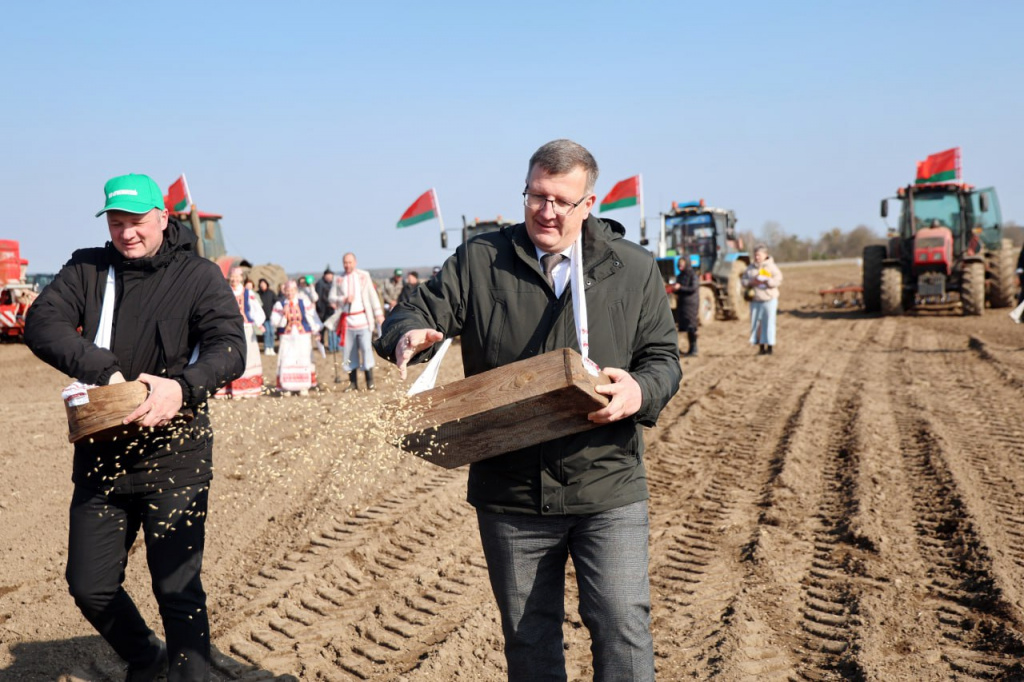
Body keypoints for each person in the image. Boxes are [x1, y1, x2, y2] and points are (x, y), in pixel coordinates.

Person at [374, 139, 681, 681]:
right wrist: (407, 334)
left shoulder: (632, 269)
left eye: (563, 201)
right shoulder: (480, 260)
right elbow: (414, 308)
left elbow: (662, 358)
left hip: (605, 483)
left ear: (589, 204)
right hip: (511, 493)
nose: (547, 211)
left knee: (621, 626)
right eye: (536, 196)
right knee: (529, 638)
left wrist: (640, 391)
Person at [24, 173, 245, 681]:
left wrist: (182, 388)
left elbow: (229, 348)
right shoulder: (86, 268)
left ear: (163, 219)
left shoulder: (199, 275)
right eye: (117, 222)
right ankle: (147, 658)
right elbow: (42, 323)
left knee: (176, 589)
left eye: (137, 222)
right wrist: (101, 368)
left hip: (176, 457)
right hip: (102, 456)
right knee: (89, 584)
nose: (127, 233)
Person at [330, 252, 384, 391]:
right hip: (347, 321)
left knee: (366, 349)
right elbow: (331, 298)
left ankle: (370, 381)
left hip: (363, 320)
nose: (347, 265)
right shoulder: (338, 278)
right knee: (349, 352)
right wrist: (343, 299)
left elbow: (372, 296)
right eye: (345, 263)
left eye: (350, 262)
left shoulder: (363, 276)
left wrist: (379, 315)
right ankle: (352, 383)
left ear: (355, 262)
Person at [213, 267, 266, 399]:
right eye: (232, 276)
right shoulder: (224, 291)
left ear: (242, 278)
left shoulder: (248, 293)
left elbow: (257, 310)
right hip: (228, 329)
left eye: (237, 277)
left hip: (245, 328)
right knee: (228, 356)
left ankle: (247, 389)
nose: (234, 279)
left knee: (246, 357)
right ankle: (227, 389)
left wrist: (258, 322)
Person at [270, 279, 323, 394]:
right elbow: (274, 322)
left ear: (296, 290)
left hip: (302, 336)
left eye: (292, 291)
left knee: (302, 359)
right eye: (287, 291)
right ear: (284, 291)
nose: (290, 293)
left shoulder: (304, 302)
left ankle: (303, 386)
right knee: (287, 359)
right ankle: (287, 387)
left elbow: (311, 317)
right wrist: (284, 315)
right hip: (287, 337)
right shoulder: (280, 304)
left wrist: (316, 331)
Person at [741, 244, 783, 355]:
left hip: (769, 299)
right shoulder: (750, 268)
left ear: (765, 255)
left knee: (768, 323)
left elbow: (778, 279)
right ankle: (761, 347)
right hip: (755, 300)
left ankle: (770, 347)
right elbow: (743, 280)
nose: (757, 257)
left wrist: (768, 281)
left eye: (759, 255)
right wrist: (751, 282)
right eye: (755, 255)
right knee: (757, 324)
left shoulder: (771, 267)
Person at [673, 255, 700, 356]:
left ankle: (694, 349)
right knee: (687, 327)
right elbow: (680, 290)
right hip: (683, 304)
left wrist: (680, 287)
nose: (680, 267)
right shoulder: (680, 275)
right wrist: (675, 289)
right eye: (679, 265)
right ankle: (690, 349)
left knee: (692, 326)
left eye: (682, 265)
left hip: (691, 304)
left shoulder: (693, 275)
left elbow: (693, 288)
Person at [315, 267, 340, 353]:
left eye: (331, 275)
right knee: (323, 329)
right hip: (323, 310)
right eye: (328, 275)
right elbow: (319, 298)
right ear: (325, 276)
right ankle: (324, 345)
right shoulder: (320, 284)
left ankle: (336, 346)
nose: (330, 277)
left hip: (333, 310)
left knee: (334, 328)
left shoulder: (333, 283)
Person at [257, 278, 277, 355]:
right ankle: (267, 347)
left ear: (266, 284)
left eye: (264, 283)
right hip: (263, 318)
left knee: (271, 332)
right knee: (266, 332)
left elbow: (276, 302)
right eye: (261, 284)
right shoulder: (258, 294)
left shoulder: (271, 293)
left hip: (271, 317)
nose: (262, 285)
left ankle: (271, 348)